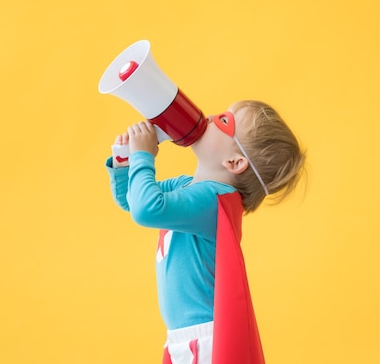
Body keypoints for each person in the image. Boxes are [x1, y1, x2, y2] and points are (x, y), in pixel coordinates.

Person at [105, 100, 306, 364]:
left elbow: (147, 210)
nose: (211, 116)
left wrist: (143, 157)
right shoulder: (189, 187)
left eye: (225, 121)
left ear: (235, 162)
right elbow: (132, 202)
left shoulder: (214, 200)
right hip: (185, 338)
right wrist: (124, 162)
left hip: (203, 340)